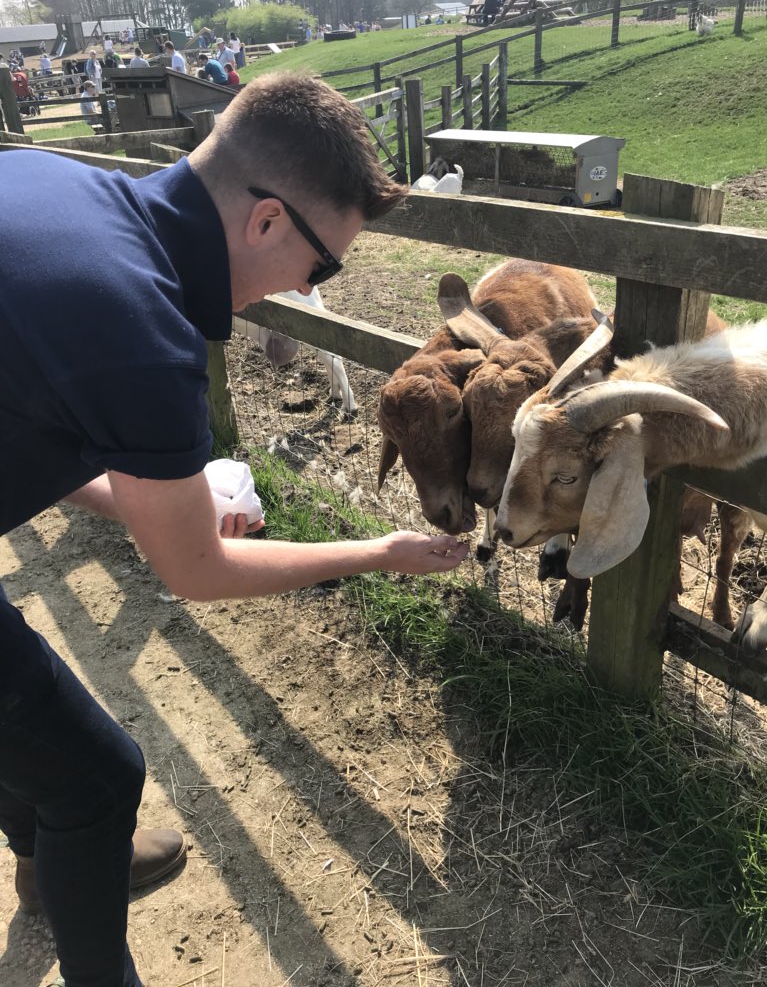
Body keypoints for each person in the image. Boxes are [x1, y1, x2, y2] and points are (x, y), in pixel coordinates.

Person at [0, 71, 468, 987]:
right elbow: (198, 573)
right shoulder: (144, 330)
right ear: (265, 222)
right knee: (100, 777)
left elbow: (40, 421)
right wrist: (386, 552)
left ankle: (48, 848)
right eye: (322, 266)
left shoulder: (49, 181)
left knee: (39, 748)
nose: (308, 287)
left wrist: (159, 492)